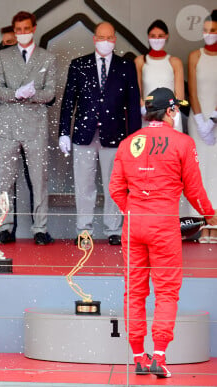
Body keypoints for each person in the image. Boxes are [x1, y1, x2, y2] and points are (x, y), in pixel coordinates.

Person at [109, 87, 217, 378]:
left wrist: (133, 210)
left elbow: (116, 190)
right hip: (164, 226)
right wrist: (210, 215)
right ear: (170, 110)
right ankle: (159, 355)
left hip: (133, 226)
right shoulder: (182, 143)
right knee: (166, 292)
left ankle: (138, 358)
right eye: (177, 109)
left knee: (134, 291)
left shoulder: (128, 142)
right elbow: (194, 190)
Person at [58, 21, 141, 245]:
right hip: (84, 134)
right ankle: (84, 231)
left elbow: (133, 105)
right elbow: (68, 102)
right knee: (84, 185)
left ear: (115, 40)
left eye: (110, 38)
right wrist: (63, 132)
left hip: (115, 136)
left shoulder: (126, 66)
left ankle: (113, 230)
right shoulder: (79, 65)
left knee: (114, 185)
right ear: (94, 39)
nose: (106, 41)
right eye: (102, 37)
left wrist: (135, 139)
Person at [0, 11, 57, 245]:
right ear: (13, 30)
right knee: (5, 180)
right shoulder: (3, 56)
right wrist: (16, 93)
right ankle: (5, 226)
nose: (22, 34)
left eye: (26, 29)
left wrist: (31, 95)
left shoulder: (47, 57)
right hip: (9, 124)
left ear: (34, 28)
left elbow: (50, 92)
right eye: (18, 30)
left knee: (39, 179)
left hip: (35, 125)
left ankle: (40, 228)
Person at [187, 9, 217, 243]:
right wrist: (200, 120)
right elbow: (193, 90)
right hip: (198, 122)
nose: (209, 35)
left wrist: (214, 118)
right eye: (206, 31)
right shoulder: (194, 56)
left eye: (213, 31)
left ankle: (215, 223)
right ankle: (200, 222)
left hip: (216, 120)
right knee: (199, 173)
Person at [134, 20, 184, 131]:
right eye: (153, 36)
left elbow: (179, 96)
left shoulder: (175, 62)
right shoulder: (140, 61)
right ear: (148, 37)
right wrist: (145, 110)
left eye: (160, 36)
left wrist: (169, 114)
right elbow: (137, 91)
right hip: (148, 116)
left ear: (166, 36)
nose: (156, 39)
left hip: (170, 116)